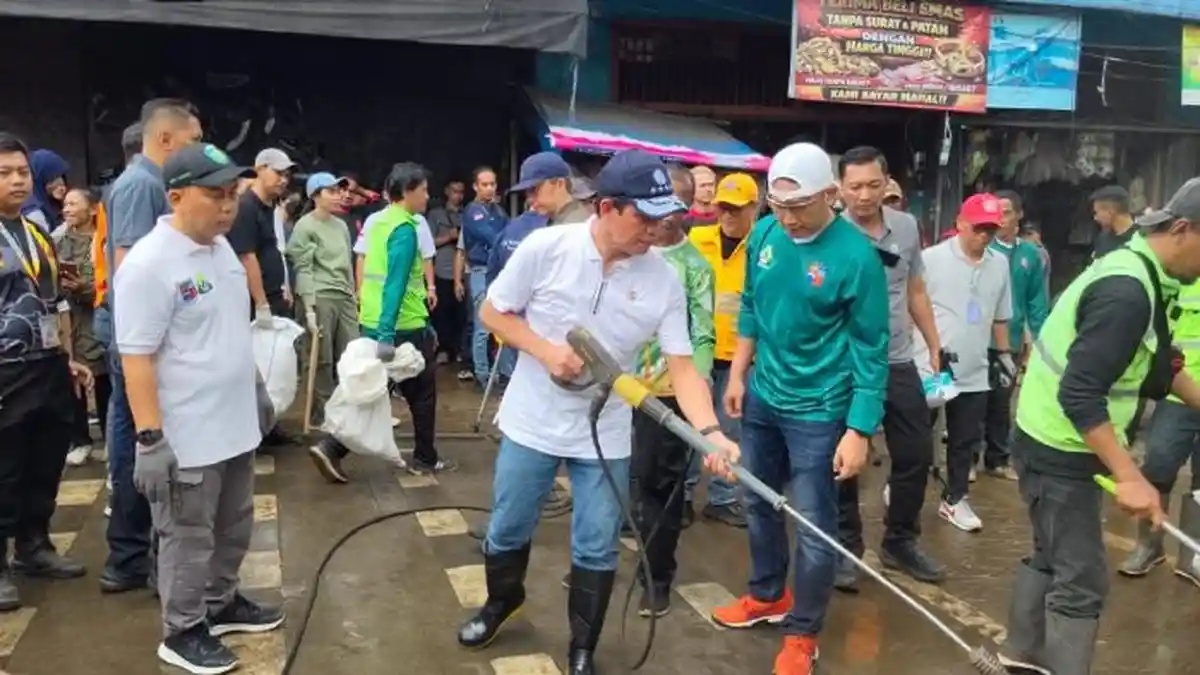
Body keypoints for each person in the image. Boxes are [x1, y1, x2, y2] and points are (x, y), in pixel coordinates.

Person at [455, 149, 737, 675]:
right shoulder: (547, 247)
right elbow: (493, 310)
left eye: (664, 218)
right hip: (532, 422)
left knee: (597, 541)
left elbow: (682, 367)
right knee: (511, 523)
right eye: (645, 218)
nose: (656, 230)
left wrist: (711, 431)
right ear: (607, 207)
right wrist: (544, 351)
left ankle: (583, 647)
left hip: (605, 432)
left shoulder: (663, 280)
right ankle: (500, 602)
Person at [999, 178, 1200, 675]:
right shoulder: (1128, 292)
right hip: (1059, 447)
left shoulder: (1146, 272)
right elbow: (1080, 393)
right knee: (1082, 578)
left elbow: (1157, 366)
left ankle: (1021, 655)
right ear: (1181, 229)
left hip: (1049, 437)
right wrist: (1130, 475)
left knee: (1052, 554)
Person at [709, 142, 885, 675]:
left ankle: (803, 632)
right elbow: (753, 308)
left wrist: (858, 429)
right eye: (778, 206)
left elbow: (871, 349)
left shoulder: (857, 258)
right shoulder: (765, 233)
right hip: (764, 393)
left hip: (820, 408)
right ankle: (767, 594)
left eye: (799, 207)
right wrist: (739, 372)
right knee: (758, 500)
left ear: (830, 196)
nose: (786, 218)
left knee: (814, 523)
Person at [113, 143, 283, 674]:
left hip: (233, 426)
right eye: (215, 196)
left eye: (232, 195)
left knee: (234, 524)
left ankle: (222, 601)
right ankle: (182, 629)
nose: (227, 206)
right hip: (186, 435)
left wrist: (256, 387)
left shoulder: (220, 250)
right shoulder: (149, 264)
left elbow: (230, 330)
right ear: (177, 196)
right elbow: (136, 357)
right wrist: (149, 439)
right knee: (187, 536)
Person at [102, 98, 202, 595]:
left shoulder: (143, 183)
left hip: (135, 339)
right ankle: (131, 555)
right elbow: (132, 268)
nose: (199, 151)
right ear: (165, 140)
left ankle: (128, 555)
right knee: (143, 446)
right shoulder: (143, 186)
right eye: (193, 140)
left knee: (133, 445)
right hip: (138, 342)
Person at [835, 146, 945, 587]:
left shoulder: (906, 227)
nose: (864, 195)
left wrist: (933, 344)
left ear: (888, 184)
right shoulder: (830, 233)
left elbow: (914, 289)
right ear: (840, 189)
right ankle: (846, 547)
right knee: (845, 459)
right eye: (855, 186)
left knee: (916, 453)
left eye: (873, 185)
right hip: (845, 364)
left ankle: (900, 540)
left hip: (898, 359)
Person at [310, 162, 456, 482]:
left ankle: (332, 446)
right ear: (406, 192)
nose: (427, 196)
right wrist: (389, 334)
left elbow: (367, 265)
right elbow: (395, 283)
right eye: (424, 190)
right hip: (402, 326)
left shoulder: (378, 222)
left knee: (379, 386)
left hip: (374, 320)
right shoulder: (405, 228)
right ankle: (425, 458)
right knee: (422, 393)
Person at [0, 133, 94, 612]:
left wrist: (68, 355)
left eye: (21, 172)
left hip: (47, 366)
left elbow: (54, 302)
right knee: (5, 467)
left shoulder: (36, 232)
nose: (17, 181)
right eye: (4, 173)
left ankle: (33, 546)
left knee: (45, 460)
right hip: (4, 373)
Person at [629, 165, 715, 617]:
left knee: (660, 492)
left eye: (679, 204)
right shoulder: (631, 253)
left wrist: (693, 395)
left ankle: (656, 578)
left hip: (666, 398)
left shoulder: (695, 268)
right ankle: (597, 562)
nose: (666, 216)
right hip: (619, 389)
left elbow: (703, 336)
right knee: (611, 481)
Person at [916, 194, 1014, 533]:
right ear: (960, 223)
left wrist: (1004, 356)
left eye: (991, 230)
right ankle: (902, 487)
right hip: (934, 366)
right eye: (978, 228)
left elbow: (1000, 316)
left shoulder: (999, 264)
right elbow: (909, 307)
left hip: (974, 370)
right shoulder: (931, 259)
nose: (984, 236)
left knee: (964, 438)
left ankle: (955, 499)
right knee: (917, 431)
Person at [686, 171, 759, 529]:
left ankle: (722, 498)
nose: (728, 216)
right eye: (723, 208)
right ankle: (682, 496)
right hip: (697, 353)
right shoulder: (697, 238)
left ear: (753, 208)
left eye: (736, 209)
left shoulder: (762, 246)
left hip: (739, 359)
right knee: (691, 428)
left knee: (730, 431)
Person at [982, 190, 1048, 481]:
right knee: (970, 401)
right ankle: (968, 458)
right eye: (996, 212)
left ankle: (996, 459)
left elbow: (1036, 300)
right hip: (976, 337)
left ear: (1019, 215)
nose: (1000, 218)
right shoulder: (983, 249)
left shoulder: (1031, 255)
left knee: (1000, 401)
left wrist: (1038, 339)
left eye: (1006, 212)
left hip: (1010, 340)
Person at [287, 173, 360, 428]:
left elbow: (347, 265)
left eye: (339, 190)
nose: (339, 195)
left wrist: (353, 294)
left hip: (343, 296)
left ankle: (346, 410)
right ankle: (322, 413)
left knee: (350, 353)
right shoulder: (305, 226)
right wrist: (308, 306)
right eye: (331, 191)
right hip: (320, 296)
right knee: (321, 358)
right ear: (315, 195)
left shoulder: (341, 225)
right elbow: (303, 267)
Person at [60, 187, 111, 467]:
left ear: (92, 209)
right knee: (72, 382)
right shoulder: (58, 240)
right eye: (65, 204)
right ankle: (80, 439)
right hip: (69, 322)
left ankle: (108, 436)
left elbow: (105, 284)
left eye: (73, 204)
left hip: (96, 318)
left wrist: (85, 288)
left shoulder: (102, 242)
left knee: (102, 380)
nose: (66, 209)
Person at [454, 166, 508, 385]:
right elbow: (494, 237)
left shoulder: (498, 211)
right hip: (480, 271)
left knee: (502, 323)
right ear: (475, 187)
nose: (489, 188)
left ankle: (502, 372)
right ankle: (483, 374)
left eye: (492, 184)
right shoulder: (473, 211)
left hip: (498, 271)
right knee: (482, 326)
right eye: (484, 184)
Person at [428, 180, 465, 364]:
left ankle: (458, 350)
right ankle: (442, 349)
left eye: (461, 192)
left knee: (461, 315)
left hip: (464, 271)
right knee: (441, 314)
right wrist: (449, 236)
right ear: (446, 191)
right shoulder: (435, 215)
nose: (457, 195)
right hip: (441, 270)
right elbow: (427, 243)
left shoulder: (467, 214)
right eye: (454, 191)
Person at [513, 151, 594, 225]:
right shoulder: (560, 221)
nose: (529, 199)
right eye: (527, 192)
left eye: (534, 189)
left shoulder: (576, 225)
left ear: (560, 184)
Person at [21, 149, 69, 235]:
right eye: (53, 179)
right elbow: (44, 244)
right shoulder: (33, 213)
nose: (61, 184)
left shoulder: (53, 203)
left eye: (62, 176)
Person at [1091, 185, 1136, 259]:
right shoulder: (1103, 239)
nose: (1095, 218)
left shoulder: (1143, 237)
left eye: (1097, 212)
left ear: (1110, 211)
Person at [1020, 222, 1052, 299]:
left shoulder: (1040, 252)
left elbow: (1033, 276)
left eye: (1030, 234)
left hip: (1037, 300)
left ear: (1038, 235)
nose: (1026, 238)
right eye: (1024, 235)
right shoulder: (1025, 252)